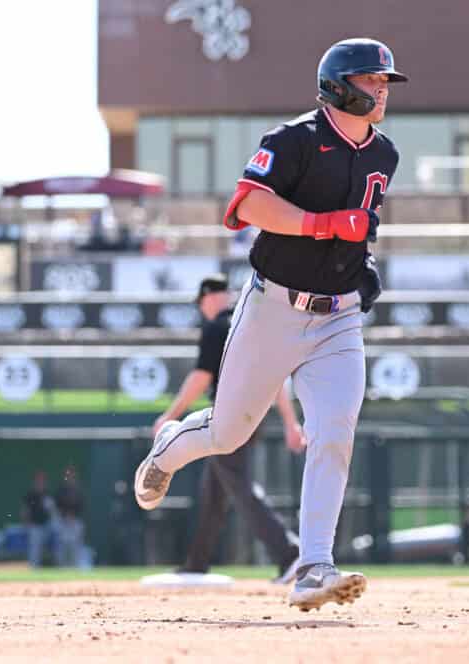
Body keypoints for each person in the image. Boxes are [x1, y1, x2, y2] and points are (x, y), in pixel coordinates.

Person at [134, 37, 405, 612]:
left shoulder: (386, 154)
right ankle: (167, 449)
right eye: (370, 81)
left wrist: (363, 260)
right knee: (229, 433)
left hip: (339, 318)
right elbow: (247, 205)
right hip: (272, 308)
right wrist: (327, 226)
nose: (380, 90)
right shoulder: (294, 139)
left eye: (384, 82)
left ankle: (312, 567)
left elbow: (363, 225)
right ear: (338, 86)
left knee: (334, 433)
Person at [153, 274, 303, 582]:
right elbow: (274, 378)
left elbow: (201, 377)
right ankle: (196, 563)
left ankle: (290, 554)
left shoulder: (218, 326)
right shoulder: (249, 322)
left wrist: (170, 415)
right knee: (214, 492)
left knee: (239, 486)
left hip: (229, 417)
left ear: (208, 297)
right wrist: (290, 421)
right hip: (254, 413)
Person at [22, 471, 56, 568]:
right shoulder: (30, 495)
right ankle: (34, 569)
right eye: (39, 481)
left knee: (54, 546)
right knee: (34, 551)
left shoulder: (48, 494)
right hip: (35, 526)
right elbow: (25, 511)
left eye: (42, 481)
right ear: (35, 482)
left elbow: (53, 512)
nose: (41, 483)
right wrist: (26, 524)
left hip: (47, 526)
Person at [54, 466, 86, 567]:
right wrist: (65, 515)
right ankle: (61, 568)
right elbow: (57, 505)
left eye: (72, 475)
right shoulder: (61, 490)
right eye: (68, 475)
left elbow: (82, 506)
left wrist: (73, 516)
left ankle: (75, 568)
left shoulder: (79, 490)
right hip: (63, 521)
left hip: (75, 522)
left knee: (75, 547)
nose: (70, 477)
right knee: (61, 547)